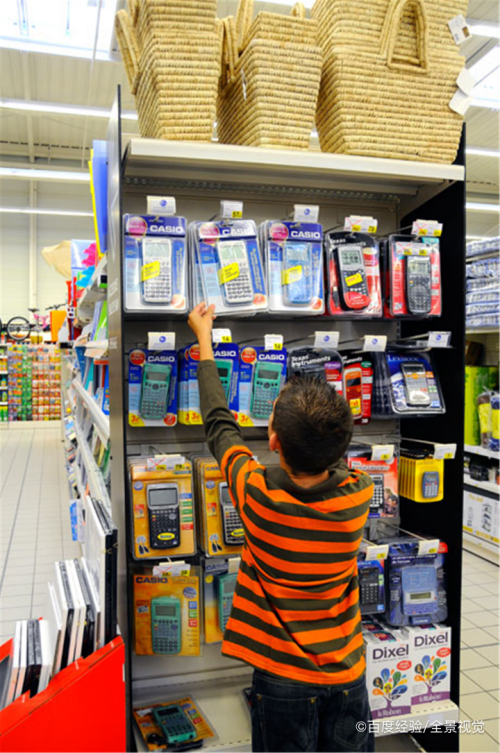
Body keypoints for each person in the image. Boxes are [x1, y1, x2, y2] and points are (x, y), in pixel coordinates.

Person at [188, 302, 375, 753]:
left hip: (283, 680)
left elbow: (219, 425)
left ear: (271, 440)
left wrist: (205, 342)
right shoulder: (359, 494)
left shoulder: (257, 495)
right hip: (349, 674)